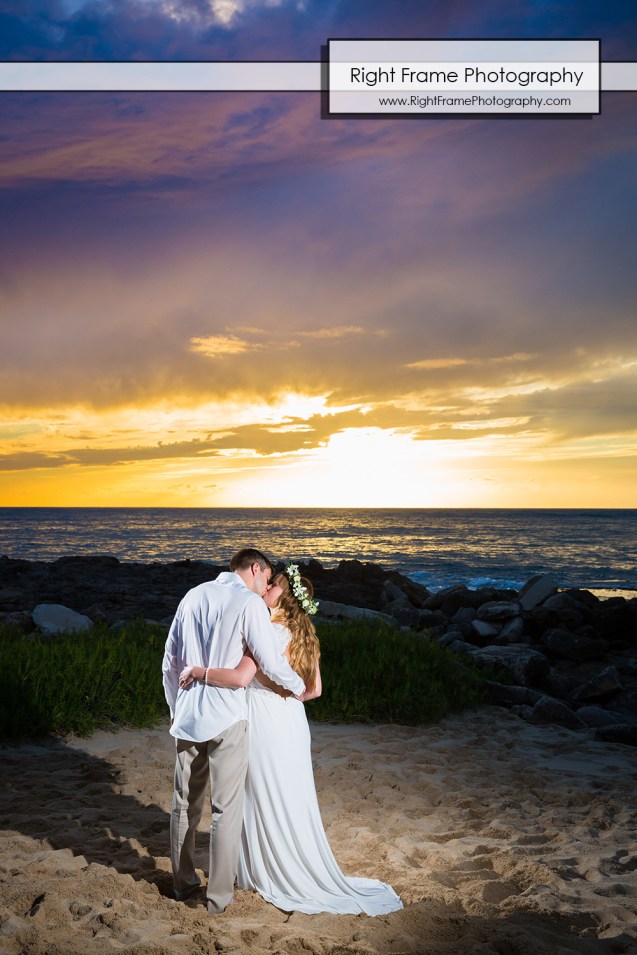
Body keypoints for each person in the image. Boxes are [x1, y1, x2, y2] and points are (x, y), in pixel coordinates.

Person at [179, 564, 403, 916]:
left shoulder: (266, 627)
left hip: (263, 720)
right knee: (288, 794)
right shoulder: (305, 633)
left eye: (273, 586)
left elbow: (242, 676)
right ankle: (283, 861)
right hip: (291, 722)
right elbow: (314, 691)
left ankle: (262, 871)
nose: (266, 589)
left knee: (257, 795)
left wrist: (205, 673)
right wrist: (287, 695)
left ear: (284, 596)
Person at [161, 548, 306, 915]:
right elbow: (270, 662)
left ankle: (182, 885)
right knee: (225, 810)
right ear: (255, 569)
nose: (265, 587)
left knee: (183, 805)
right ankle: (219, 898)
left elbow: (170, 661)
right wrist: (296, 685)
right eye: (265, 577)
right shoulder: (249, 604)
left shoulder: (192, 596)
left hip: (190, 715)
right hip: (228, 717)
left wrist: (176, 708)